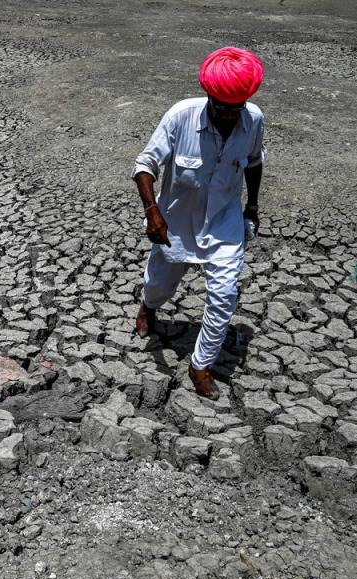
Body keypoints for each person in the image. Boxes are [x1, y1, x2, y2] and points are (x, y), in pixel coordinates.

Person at [131, 47, 265, 400]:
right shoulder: (180, 116)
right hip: (176, 222)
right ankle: (148, 305)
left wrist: (251, 207)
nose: (227, 115)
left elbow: (253, 163)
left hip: (224, 224)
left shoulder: (253, 121)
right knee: (160, 284)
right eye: (221, 107)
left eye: (235, 109)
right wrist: (152, 211)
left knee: (223, 296)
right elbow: (145, 164)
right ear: (209, 95)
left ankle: (200, 364)